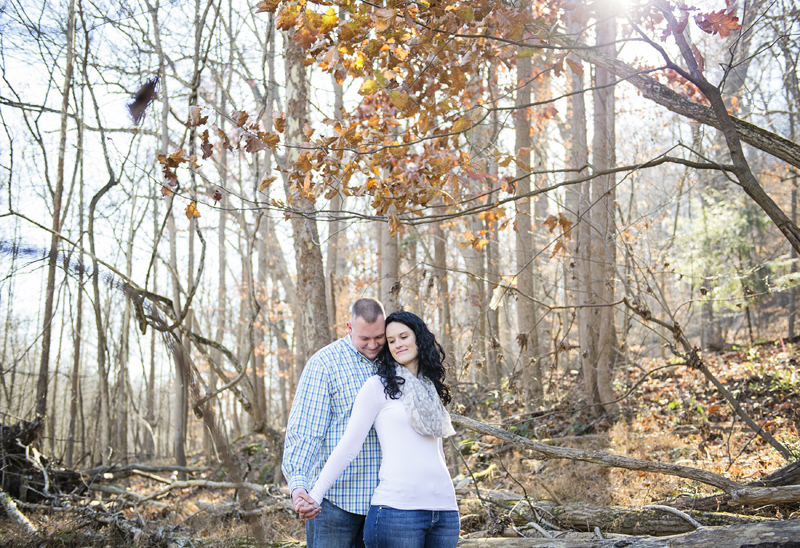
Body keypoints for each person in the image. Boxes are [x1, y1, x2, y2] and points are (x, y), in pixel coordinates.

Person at [304, 311, 459, 548]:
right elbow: (349, 445)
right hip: (398, 512)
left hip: (445, 511)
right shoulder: (378, 386)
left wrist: (450, 505)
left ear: (419, 337)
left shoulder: (430, 387)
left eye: (403, 337)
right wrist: (315, 494)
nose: (397, 344)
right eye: (391, 340)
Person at [282, 298, 387, 548]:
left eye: (379, 337)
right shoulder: (325, 364)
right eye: (364, 338)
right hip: (334, 502)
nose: (373, 345)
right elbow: (306, 431)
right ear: (349, 328)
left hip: (386, 504)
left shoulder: (396, 359)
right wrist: (298, 485)